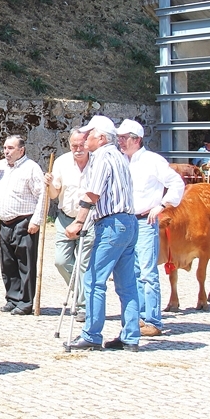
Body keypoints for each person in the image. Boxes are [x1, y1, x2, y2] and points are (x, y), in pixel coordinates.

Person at [63, 115, 140, 352]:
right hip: (128, 222)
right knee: (127, 284)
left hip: (112, 224)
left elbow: (92, 193)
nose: (86, 139)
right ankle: (130, 336)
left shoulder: (103, 157)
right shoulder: (120, 157)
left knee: (94, 280)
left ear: (102, 138)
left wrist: (78, 222)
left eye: (90, 135)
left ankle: (92, 335)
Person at [116, 119, 184, 337]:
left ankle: (153, 320)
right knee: (133, 271)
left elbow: (176, 183)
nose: (120, 141)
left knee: (147, 271)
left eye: (124, 138)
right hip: (127, 220)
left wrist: (162, 205)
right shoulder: (120, 160)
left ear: (136, 140)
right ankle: (141, 317)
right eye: (119, 137)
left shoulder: (153, 161)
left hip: (145, 220)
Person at [0, 135, 45, 316]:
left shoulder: (31, 168)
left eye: (10, 148)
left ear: (21, 150)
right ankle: (12, 298)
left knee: (25, 263)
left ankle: (25, 302)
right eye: (4, 148)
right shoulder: (0, 166)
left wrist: (36, 220)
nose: (6, 152)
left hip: (24, 221)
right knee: (7, 263)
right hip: (4, 221)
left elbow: (43, 195)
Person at [43, 128, 93, 322]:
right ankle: (82, 295)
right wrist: (48, 184)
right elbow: (55, 194)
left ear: (87, 144)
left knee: (84, 264)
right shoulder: (61, 162)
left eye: (81, 145)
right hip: (65, 217)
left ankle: (82, 305)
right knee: (61, 261)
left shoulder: (97, 163)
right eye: (74, 146)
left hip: (89, 218)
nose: (78, 149)